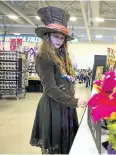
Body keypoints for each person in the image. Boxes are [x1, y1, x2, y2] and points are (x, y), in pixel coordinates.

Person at [30, 7, 87, 154]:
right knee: (56, 147)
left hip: (65, 105)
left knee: (66, 146)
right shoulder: (43, 56)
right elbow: (50, 88)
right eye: (56, 36)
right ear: (47, 36)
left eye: (62, 38)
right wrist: (75, 102)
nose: (60, 41)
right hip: (53, 107)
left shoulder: (60, 56)